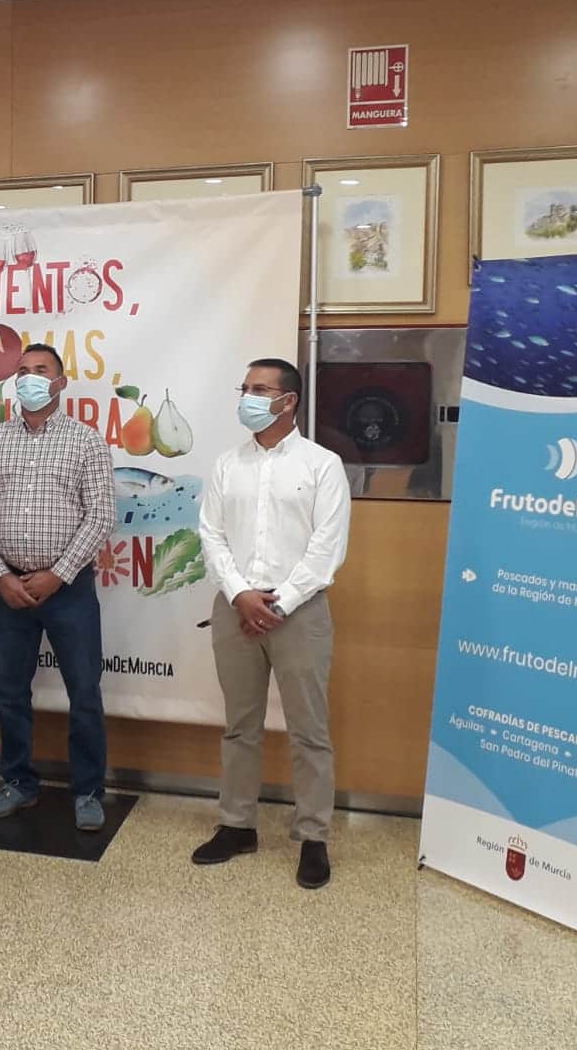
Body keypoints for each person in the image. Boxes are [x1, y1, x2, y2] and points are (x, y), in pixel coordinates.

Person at [194, 357, 350, 889]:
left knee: (309, 730)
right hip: (235, 608)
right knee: (240, 725)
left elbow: (327, 547)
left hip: (300, 612)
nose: (248, 397)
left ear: (289, 401)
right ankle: (237, 825)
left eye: (259, 390)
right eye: (245, 388)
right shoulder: (227, 464)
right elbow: (211, 535)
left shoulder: (322, 465)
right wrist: (241, 594)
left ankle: (313, 836)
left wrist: (278, 603)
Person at [0, 344, 116, 832]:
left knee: (84, 692)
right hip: (9, 588)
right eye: (23, 371)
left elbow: (101, 515)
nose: (29, 378)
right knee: (8, 691)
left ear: (60, 382)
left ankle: (88, 790)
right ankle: (18, 782)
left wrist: (59, 574)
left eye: (41, 370)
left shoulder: (85, 441)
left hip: (68, 588)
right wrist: (0, 575)